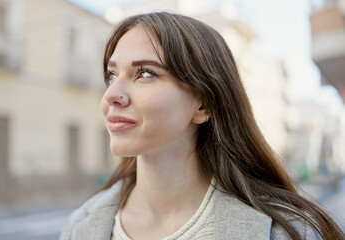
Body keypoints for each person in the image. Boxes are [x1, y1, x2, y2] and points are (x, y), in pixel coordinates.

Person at [60, 12, 344, 240]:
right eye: (112, 75)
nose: (111, 95)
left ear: (203, 104)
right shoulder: (80, 227)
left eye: (145, 73)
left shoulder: (290, 232)